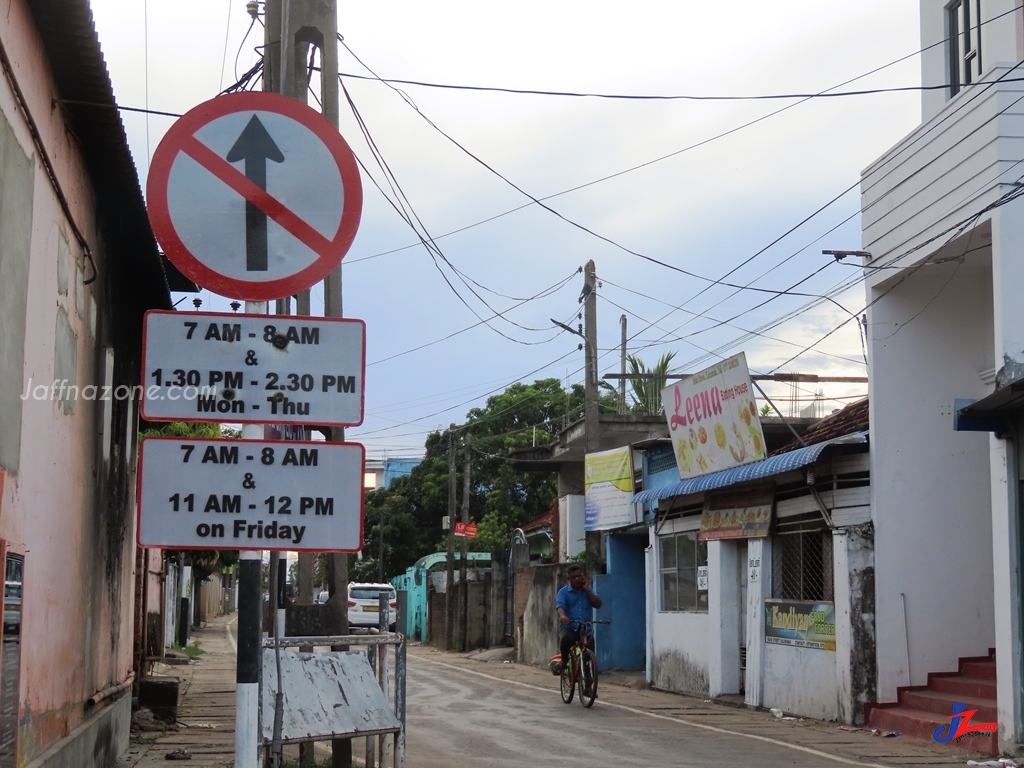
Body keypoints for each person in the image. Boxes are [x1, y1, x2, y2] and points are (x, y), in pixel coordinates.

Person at [553, 564, 602, 692]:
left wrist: (586, 589)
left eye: (579, 576)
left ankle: (588, 686)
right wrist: (563, 616)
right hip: (570, 627)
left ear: (583, 577)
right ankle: (564, 661)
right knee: (565, 640)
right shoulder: (563, 592)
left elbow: (598, 604)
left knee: (588, 657)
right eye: (574, 577)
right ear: (568, 578)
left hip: (586, 629)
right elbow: (560, 606)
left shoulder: (588, 590)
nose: (577, 579)